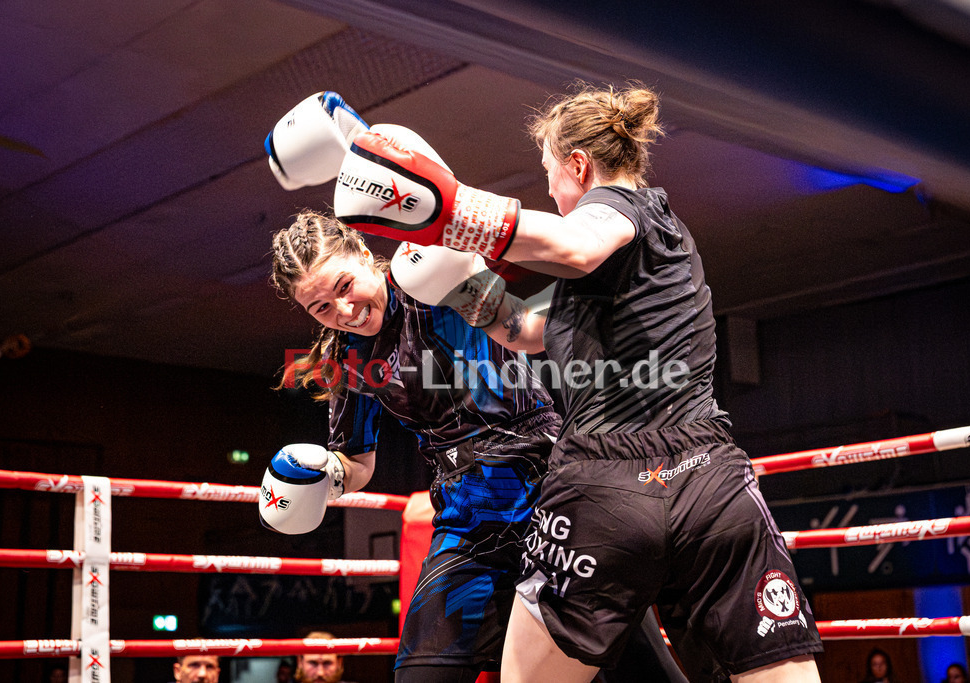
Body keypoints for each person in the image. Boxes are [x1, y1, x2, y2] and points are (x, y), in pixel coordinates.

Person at [332, 81, 824, 681]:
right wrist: (462, 283)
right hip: (712, 483)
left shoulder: (615, 212)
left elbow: (580, 244)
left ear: (580, 164)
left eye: (550, 173)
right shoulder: (660, 245)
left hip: (603, 488)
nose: (549, 190)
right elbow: (524, 332)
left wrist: (455, 210)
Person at [262, 210, 687, 683]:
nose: (343, 310)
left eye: (343, 286)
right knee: (423, 674)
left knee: (639, 667)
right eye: (321, 307)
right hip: (467, 521)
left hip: (551, 493)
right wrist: (323, 474)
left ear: (365, 256)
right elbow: (358, 464)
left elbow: (521, 312)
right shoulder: (349, 361)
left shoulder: (427, 276)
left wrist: (456, 244)